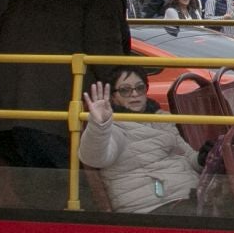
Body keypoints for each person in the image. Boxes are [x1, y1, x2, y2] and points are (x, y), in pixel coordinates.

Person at [0, 0, 132, 197]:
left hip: (5, 113)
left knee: (34, 196)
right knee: (73, 198)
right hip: (57, 117)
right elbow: (106, 52)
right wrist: (129, 92)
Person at [79, 68, 200, 214]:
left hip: (191, 194)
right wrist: (99, 125)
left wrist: (203, 158)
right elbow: (95, 158)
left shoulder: (161, 118)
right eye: (125, 90)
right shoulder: (114, 127)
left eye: (140, 88)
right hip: (154, 205)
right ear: (113, 97)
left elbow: (189, 158)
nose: (135, 94)